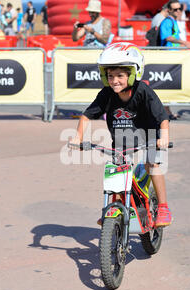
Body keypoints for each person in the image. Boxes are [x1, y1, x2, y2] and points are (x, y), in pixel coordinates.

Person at [68, 43, 173, 227]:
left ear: (132, 74)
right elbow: (86, 116)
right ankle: (113, 208)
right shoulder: (107, 94)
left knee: (152, 164)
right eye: (110, 76)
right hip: (122, 136)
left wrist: (163, 138)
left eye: (120, 76)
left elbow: (162, 117)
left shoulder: (143, 91)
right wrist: (78, 137)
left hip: (148, 135)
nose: (114, 80)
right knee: (117, 168)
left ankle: (163, 208)